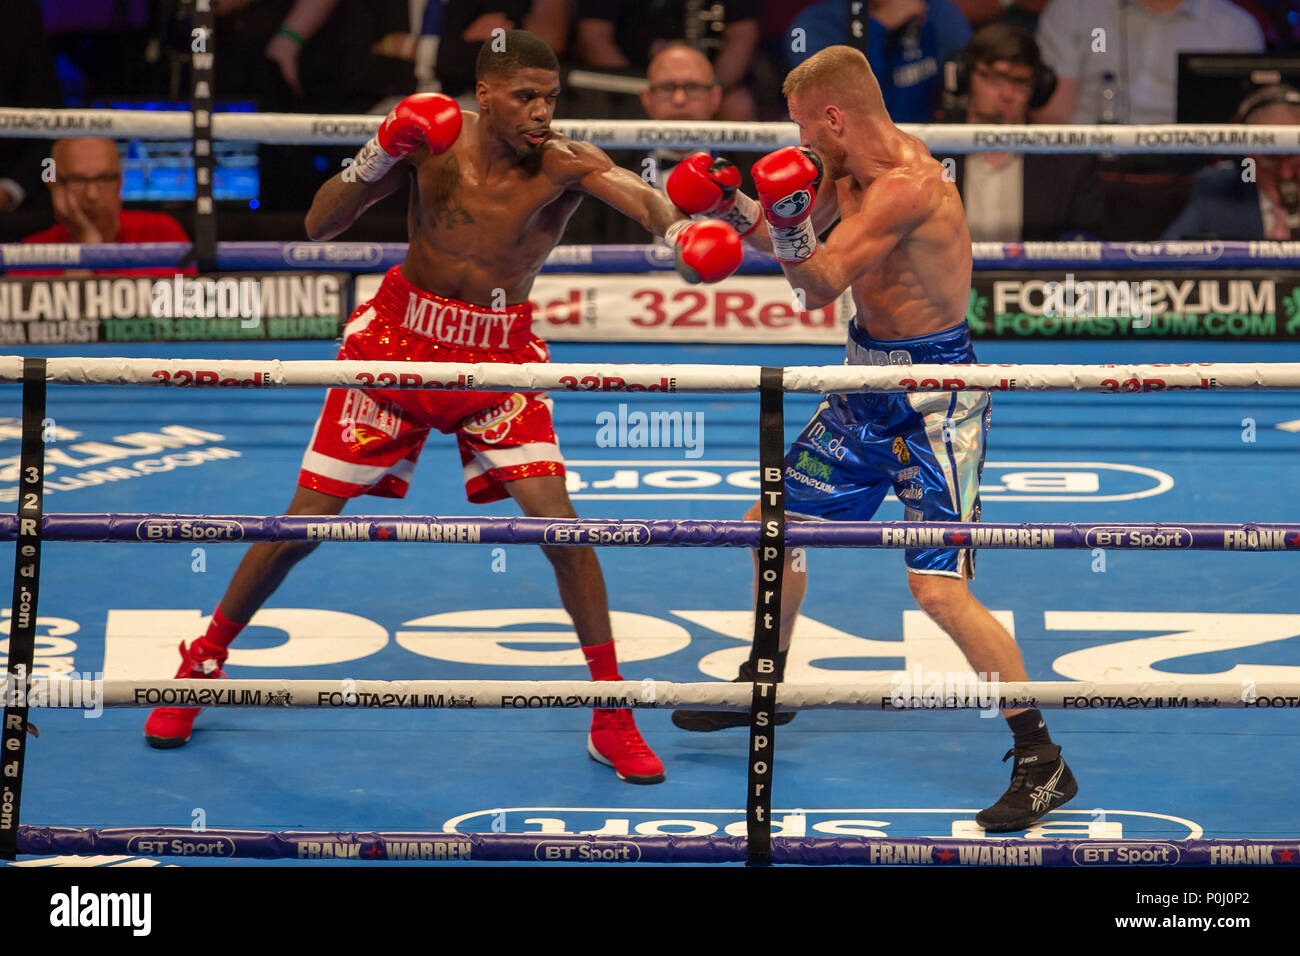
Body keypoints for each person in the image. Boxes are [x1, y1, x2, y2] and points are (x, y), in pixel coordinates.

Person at [142, 30, 743, 785]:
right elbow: (320, 224)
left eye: (550, 96)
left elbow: (636, 193)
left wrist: (683, 230)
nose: (540, 112)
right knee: (301, 526)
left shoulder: (562, 161)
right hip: (399, 342)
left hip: (495, 357)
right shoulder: (431, 144)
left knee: (563, 531)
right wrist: (378, 150)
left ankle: (611, 710)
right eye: (525, 95)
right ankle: (200, 665)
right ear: (483, 94)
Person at [664, 44, 1077, 832]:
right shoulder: (839, 173)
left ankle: (1042, 760)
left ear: (833, 116)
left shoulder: (909, 187)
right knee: (770, 530)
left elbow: (818, 280)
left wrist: (779, 223)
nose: (800, 144)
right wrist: (735, 208)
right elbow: (797, 242)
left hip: (934, 398)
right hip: (864, 380)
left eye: (803, 127)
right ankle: (767, 687)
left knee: (937, 588)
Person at [944, 23, 1103, 241]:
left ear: (1037, 89)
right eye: (995, 78)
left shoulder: (1069, 166)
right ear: (965, 77)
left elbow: (1087, 247)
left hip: (1035, 276)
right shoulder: (930, 154)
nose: (1007, 94)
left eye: (1020, 82)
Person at [17, 138, 193, 278]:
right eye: (77, 180)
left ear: (120, 181)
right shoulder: (31, 253)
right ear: (54, 185)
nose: (92, 194)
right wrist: (88, 247)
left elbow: (186, 311)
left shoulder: (160, 232)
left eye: (105, 179)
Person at [787, 0, 972, 123]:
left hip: (922, 148)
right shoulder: (815, 25)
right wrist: (877, 28)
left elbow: (968, 76)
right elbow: (848, 106)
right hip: (844, 155)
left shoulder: (935, 11)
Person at [1163, 85, 1300, 239]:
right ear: (1248, 154)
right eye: (1270, 158)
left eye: (1294, 156)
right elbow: (1167, 258)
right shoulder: (1216, 191)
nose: (1285, 173)